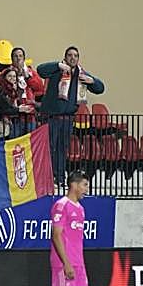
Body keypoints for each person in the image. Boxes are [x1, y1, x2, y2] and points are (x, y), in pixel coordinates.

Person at [34, 171, 99, 286]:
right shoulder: (61, 206)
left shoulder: (80, 208)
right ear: (74, 185)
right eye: (85, 185)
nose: (86, 189)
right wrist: (67, 263)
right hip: (64, 261)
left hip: (78, 261)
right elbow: (56, 235)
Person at [37, 46, 105, 188]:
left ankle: (60, 178)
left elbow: (100, 88)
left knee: (62, 149)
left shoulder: (81, 74)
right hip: (52, 117)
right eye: (69, 55)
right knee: (50, 148)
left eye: (75, 56)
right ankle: (48, 177)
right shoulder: (57, 70)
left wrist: (91, 81)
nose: (72, 58)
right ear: (65, 57)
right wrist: (57, 65)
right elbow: (40, 70)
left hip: (68, 119)